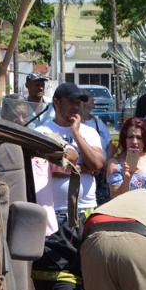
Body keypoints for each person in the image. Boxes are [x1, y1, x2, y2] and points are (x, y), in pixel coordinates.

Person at [37, 82, 106, 224]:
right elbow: (45, 170)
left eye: (78, 103)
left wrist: (75, 133)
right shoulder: (42, 132)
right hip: (56, 212)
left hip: (86, 211)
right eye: (70, 102)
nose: (75, 107)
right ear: (56, 102)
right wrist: (84, 169)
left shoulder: (89, 132)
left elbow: (98, 164)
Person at [107, 117, 146, 196]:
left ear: (145, 139)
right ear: (124, 138)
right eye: (130, 137)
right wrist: (127, 179)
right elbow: (115, 197)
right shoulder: (115, 164)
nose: (134, 142)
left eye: (139, 138)